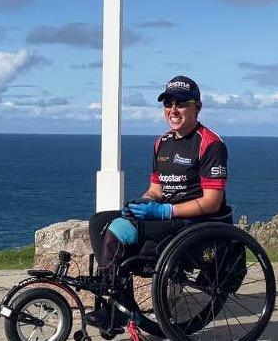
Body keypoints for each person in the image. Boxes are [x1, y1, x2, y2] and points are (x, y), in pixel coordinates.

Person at [85, 75, 229, 329]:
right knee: (99, 221)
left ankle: (117, 309)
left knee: (119, 231)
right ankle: (121, 300)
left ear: (197, 107)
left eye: (181, 103)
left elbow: (212, 202)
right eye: (168, 103)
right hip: (166, 216)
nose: (173, 110)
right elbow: (156, 189)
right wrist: (144, 202)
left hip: (192, 222)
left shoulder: (210, 143)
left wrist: (163, 211)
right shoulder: (161, 143)